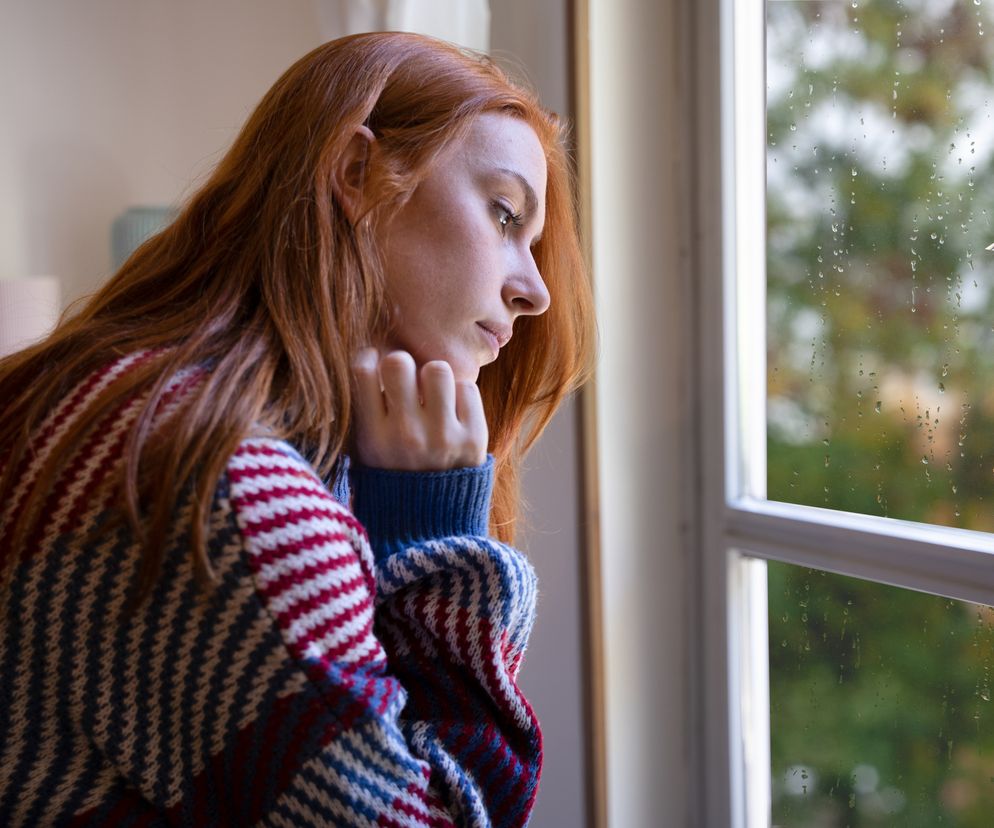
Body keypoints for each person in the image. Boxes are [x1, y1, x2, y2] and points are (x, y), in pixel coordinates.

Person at [0, 31, 594, 827]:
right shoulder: (238, 495)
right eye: (503, 212)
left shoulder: (120, 397)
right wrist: (442, 544)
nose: (535, 292)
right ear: (356, 174)